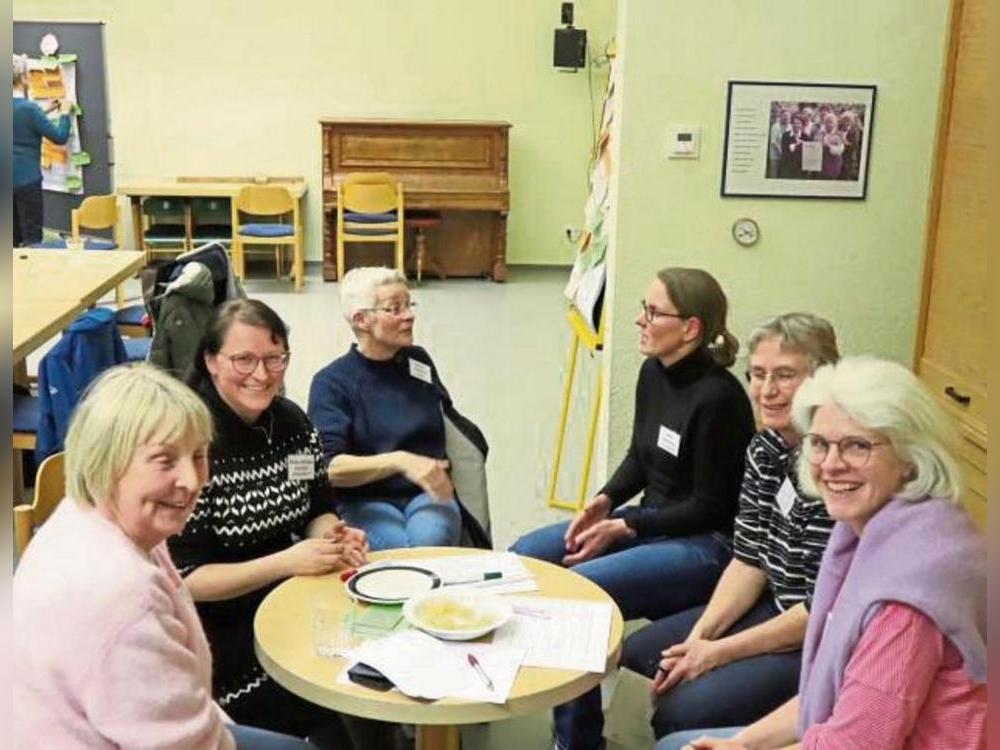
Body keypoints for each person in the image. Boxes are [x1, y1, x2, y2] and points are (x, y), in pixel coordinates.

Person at [658, 357, 986, 750]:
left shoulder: (908, 595)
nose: (831, 464)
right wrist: (743, 744)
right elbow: (826, 700)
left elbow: (854, 743)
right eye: (819, 444)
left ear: (909, 457)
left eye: (857, 446)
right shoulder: (878, 531)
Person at [511, 267, 756, 750]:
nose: (640, 321)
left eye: (653, 311)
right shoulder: (653, 372)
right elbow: (640, 458)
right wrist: (603, 502)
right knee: (526, 556)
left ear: (691, 329)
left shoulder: (720, 399)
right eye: (643, 309)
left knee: (578, 594)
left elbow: (710, 506)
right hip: (653, 523)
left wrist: (626, 525)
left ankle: (577, 740)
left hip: (705, 545)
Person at [14, 363, 315, 749]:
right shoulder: (118, 595)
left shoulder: (93, 516)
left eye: (200, 456)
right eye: (164, 460)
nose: (192, 481)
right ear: (108, 460)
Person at [615, 314, 838, 742]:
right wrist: (696, 641)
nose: (766, 390)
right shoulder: (767, 447)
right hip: (770, 602)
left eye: (785, 375)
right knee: (641, 657)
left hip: (812, 636)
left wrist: (715, 654)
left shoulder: (834, 468)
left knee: (679, 709)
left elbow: (818, 612)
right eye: (758, 375)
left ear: (822, 379)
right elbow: (749, 559)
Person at [168, 299, 370, 747]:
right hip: (218, 633)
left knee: (373, 672)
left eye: (274, 358)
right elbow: (186, 579)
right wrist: (288, 561)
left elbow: (317, 506)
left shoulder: (293, 423)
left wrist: (331, 537)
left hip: (291, 600)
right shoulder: (193, 444)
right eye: (244, 359)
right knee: (335, 709)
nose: (262, 374)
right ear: (211, 361)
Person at [308, 267, 464, 551]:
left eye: (409, 305)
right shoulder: (331, 383)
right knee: (396, 552)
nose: (409, 315)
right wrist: (400, 460)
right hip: (363, 499)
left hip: (426, 492)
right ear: (361, 320)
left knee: (429, 541)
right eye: (395, 309)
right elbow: (328, 467)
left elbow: (447, 416)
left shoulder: (419, 362)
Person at [13, 53, 72, 247]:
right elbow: (59, 137)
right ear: (23, 78)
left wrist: (43, 112)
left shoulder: (29, 111)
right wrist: (64, 114)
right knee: (32, 241)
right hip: (26, 183)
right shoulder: (29, 110)